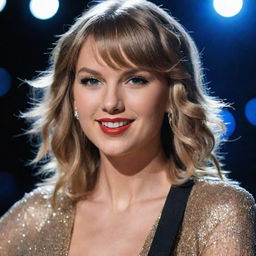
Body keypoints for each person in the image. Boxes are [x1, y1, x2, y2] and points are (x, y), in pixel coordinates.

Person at [0, 0, 255, 255]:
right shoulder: (35, 216)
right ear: (71, 95)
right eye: (92, 81)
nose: (111, 103)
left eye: (135, 80)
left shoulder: (218, 210)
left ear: (171, 93)